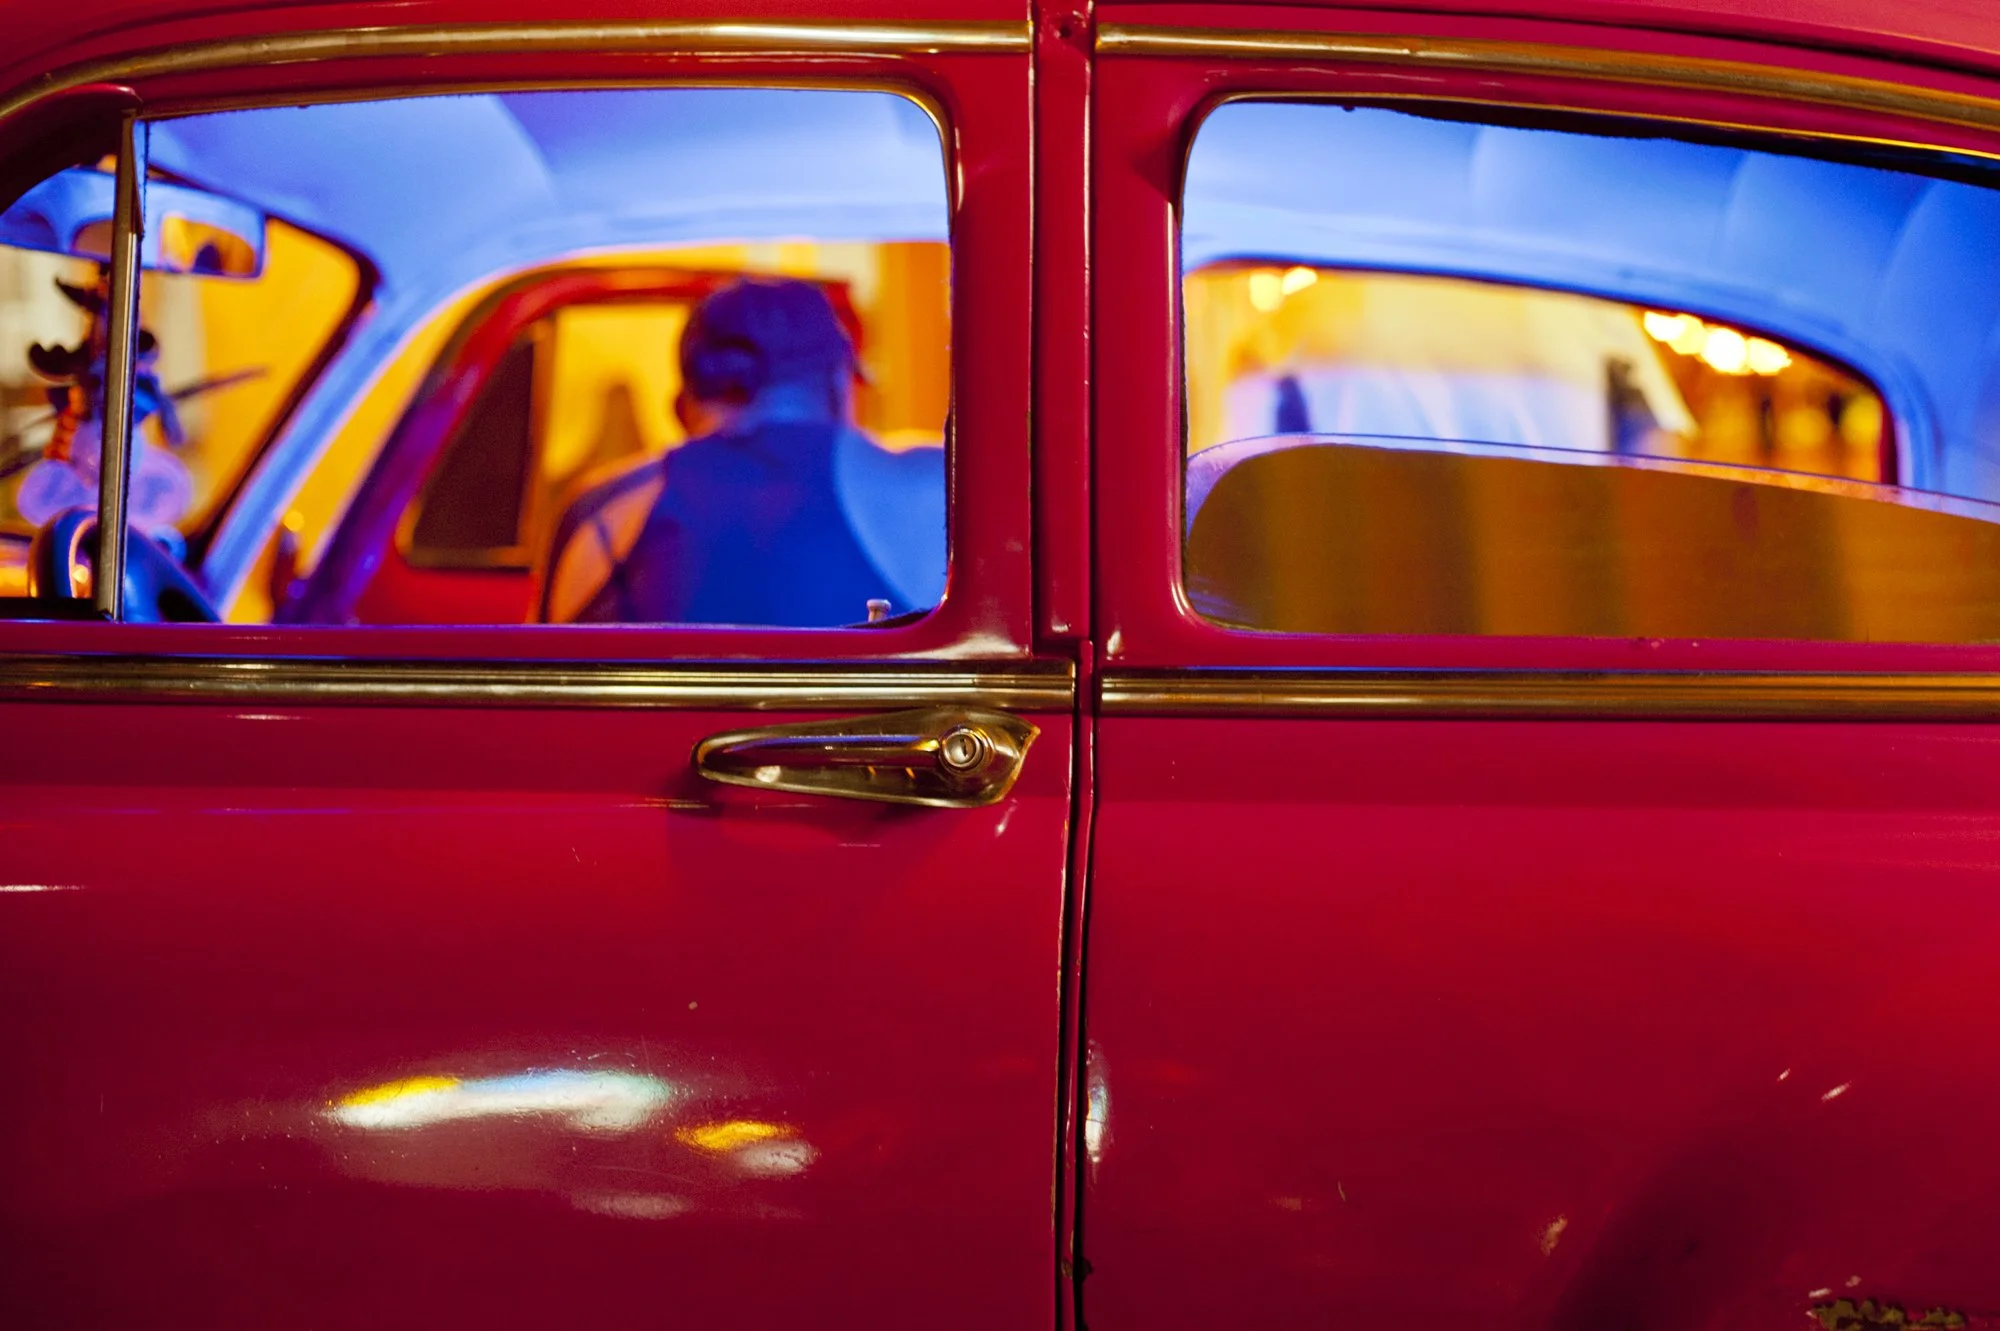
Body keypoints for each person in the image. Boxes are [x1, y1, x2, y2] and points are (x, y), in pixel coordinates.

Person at [541, 277, 928, 626]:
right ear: (839, 385)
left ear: (682, 407)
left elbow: (536, 685)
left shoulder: (602, 513)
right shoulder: (933, 487)